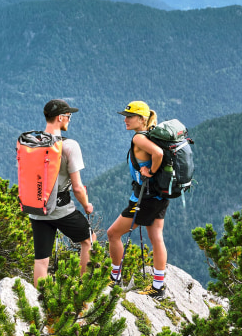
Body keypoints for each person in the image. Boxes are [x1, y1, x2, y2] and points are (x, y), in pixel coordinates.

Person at [28, 99, 95, 285]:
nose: (70, 120)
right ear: (60, 118)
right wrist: (86, 205)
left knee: (41, 259)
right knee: (89, 240)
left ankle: (39, 303)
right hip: (60, 209)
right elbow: (77, 187)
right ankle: (84, 291)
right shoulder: (69, 146)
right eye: (68, 116)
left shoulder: (31, 142)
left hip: (36, 209)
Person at [107, 100, 168, 298]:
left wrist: (151, 171)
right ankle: (158, 286)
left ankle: (114, 277)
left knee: (113, 233)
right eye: (125, 116)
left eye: (129, 116)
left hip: (145, 198)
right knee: (156, 236)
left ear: (142, 119)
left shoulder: (139, 139)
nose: (125, 120)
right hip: (159, 194)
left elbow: (158, 154)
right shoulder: (151, 134)